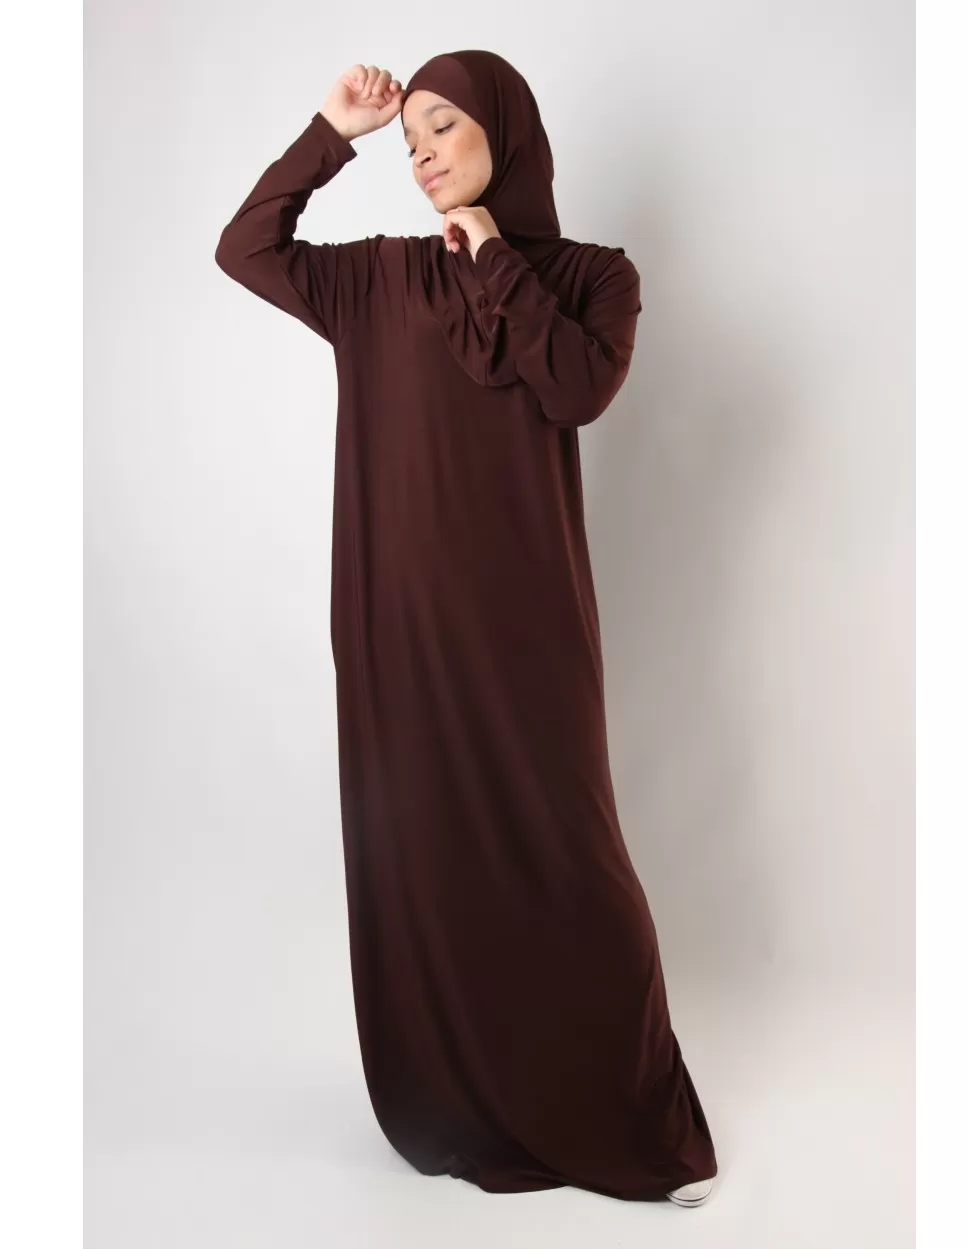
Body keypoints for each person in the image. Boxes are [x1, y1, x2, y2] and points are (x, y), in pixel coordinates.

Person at [215, 49, 718, 1206]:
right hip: (400, 628)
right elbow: (246, 248)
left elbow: (575, 389)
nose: (424, 153)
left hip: (528, 627)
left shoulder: (594, 278)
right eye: (411, 140)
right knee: (427, 859)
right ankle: (463, 1097)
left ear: (505, 127)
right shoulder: (379, 279)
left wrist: (492, 253)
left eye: (444, 125)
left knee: (570, 856)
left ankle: (616, 1104)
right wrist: (330, 135)